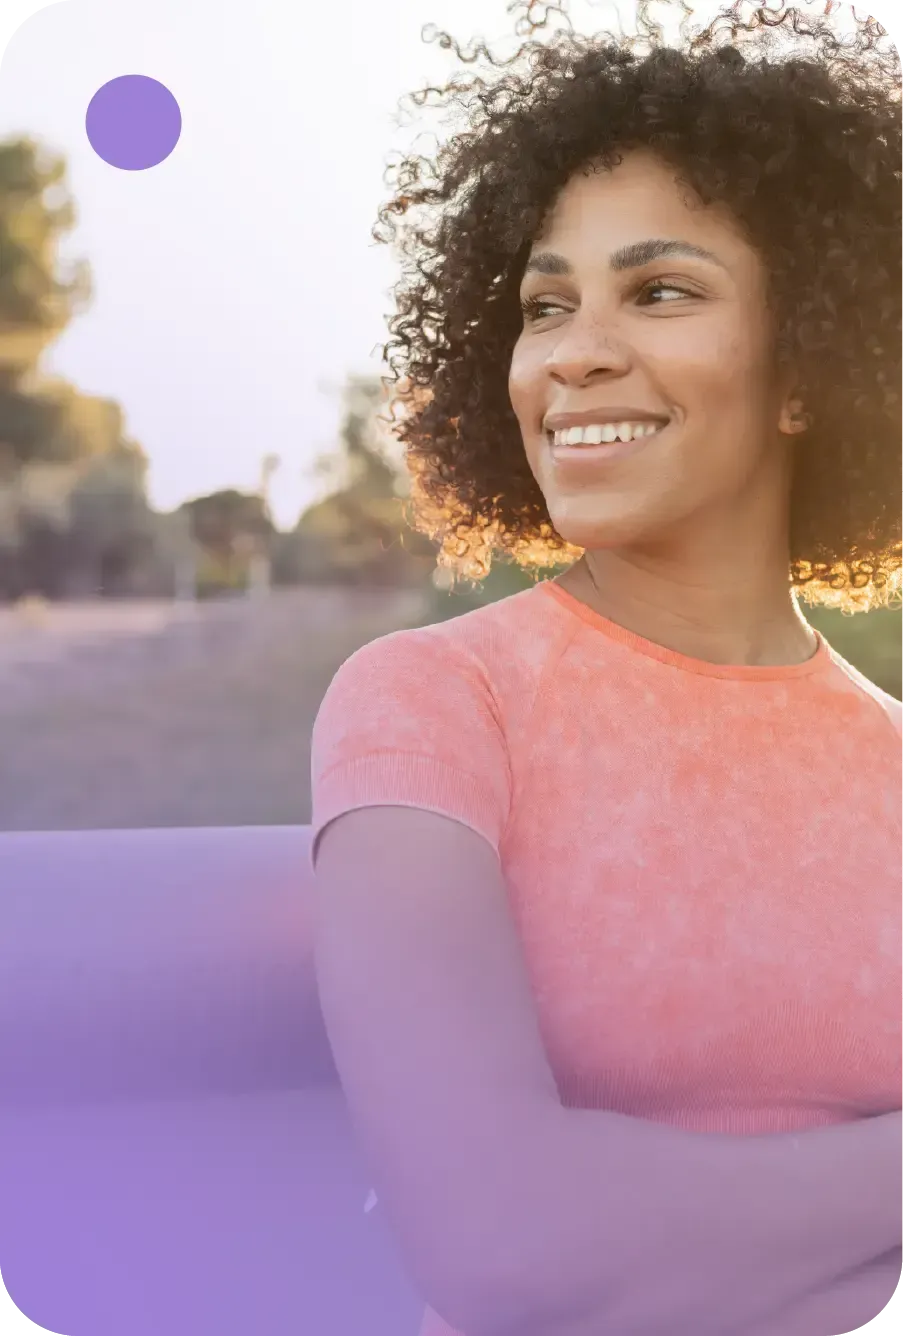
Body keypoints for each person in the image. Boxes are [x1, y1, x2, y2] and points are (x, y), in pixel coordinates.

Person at [310, 3, 903, 1333]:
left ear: (805, 364)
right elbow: (495, 1240)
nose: (570, 352)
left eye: (661, 289)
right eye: (543, 304)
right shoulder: (433, 702)